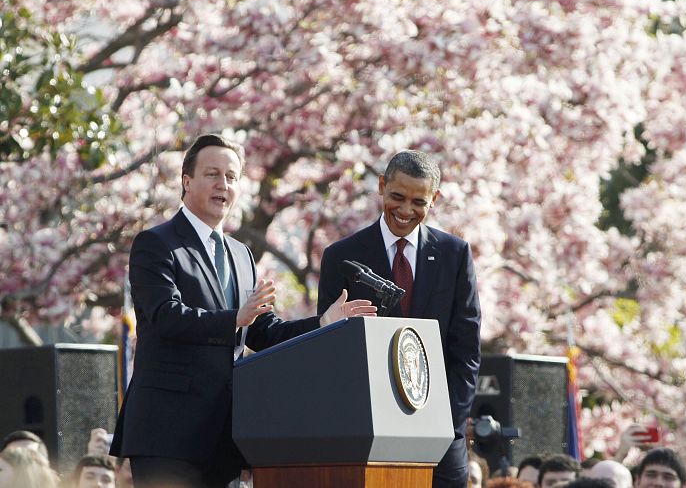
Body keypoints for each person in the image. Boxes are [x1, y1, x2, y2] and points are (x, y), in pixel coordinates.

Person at [109, 133, 376, 488]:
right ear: (186, 181)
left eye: (231, 177)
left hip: (224, 436)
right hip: (167, 432)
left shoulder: (241, 254)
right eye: (213, 174)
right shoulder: (156, 244)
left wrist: (323, 323)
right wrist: (234, 318)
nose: (223, 184)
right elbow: (165, 316)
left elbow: (263, 330)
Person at [317, 150, 482, 487]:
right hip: (367, 433)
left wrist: (446, 423)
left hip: (439, 432)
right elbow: (329, 349)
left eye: (418, 201)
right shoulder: (342, 257)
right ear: (381, 186)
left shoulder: (455, 254)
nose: (406, 210)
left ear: (434, 199)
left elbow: (465, 351)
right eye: (397, 196)